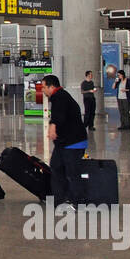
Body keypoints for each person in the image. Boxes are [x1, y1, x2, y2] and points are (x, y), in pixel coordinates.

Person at [44, 74, 88, 205]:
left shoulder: (60, 96)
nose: (43, 91)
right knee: (56, 166)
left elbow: (59, 115)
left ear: (52, 87)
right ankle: (60, 198)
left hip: (73, 143)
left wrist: (52, 126)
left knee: (72, 172)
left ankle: (78, 201)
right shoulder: (60, 96)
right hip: (64, 143)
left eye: (44, 87)